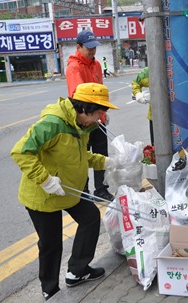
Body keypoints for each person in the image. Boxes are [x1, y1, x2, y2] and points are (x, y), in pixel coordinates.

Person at [11, 83, 120, 300]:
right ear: (84, 108)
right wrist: (45, 180)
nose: (100, 118)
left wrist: (109, 162)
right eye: (98, 112)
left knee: (90, 219)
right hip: (43, 193)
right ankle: (50, 290)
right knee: (51, 243)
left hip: (68, 189)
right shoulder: (52, 124)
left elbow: (80, 157)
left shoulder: (81, 127)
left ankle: (77, 271)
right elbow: (21, 152)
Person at [66, 29, 114, 201]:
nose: (93, 50)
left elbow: (100, 90)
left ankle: (101, 189)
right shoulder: (74, 68)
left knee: (101, 154)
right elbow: (79, 96)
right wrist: (92, 115)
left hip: (98, 117)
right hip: (84, 119)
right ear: (79, 47)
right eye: (89, 47)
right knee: (84, 156)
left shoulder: (97, 65)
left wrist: (103, 112)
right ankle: (84, 190)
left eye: (94, 47)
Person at [132, 67, 154, 145]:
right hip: (155, 115)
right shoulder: (150, 70)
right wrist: (138, 94)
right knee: (157, 147)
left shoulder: (176, 66)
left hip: (178, 114)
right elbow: (136, 83)